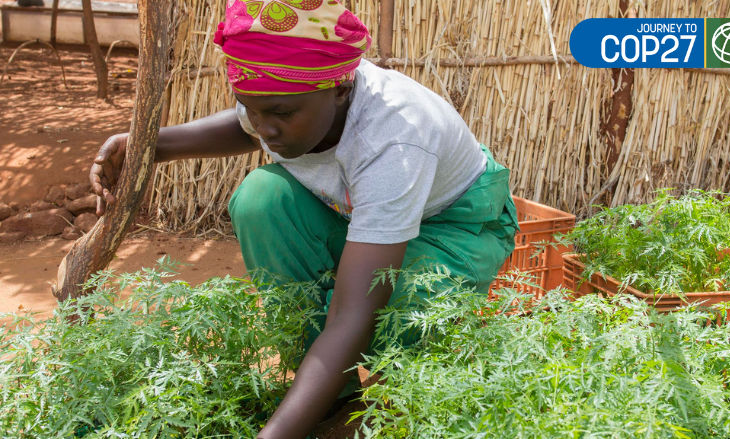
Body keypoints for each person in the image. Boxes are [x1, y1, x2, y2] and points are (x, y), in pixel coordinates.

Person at [89, 1, 518, 437]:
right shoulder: (285, 98)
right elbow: (245, 125)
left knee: (407, 303)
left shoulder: (394, 137)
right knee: (262, 198)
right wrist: (144, 146)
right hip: (357, 217)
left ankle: (395, 403)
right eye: (251, 107)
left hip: (452, 226)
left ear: (340, 88)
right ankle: (331, 395)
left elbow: (357, 308)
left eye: (280, 114)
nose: (265, 129)